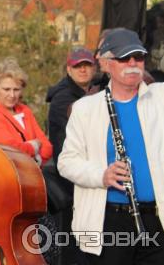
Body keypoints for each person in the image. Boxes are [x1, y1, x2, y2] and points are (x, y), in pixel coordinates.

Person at [58, 28, 164, 264]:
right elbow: (67, 162)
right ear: (107, 63)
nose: (132, 63)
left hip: (160, 220)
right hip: (107, 220)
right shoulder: (85, 109)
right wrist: (102, 175)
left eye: (138, 57)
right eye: (123, 57)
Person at [46, 47, 96, 265]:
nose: (83, 70)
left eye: (87, 65)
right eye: (78, 66)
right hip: (70, 178)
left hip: (85, 173)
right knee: (72, 238)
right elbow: (76, 139)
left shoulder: (91, 92)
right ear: (69, 69)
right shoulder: (63, 98)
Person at [0, 57, 53, 166]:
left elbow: (47, 146)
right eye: (6, 89)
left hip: (33, 174)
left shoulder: (25, 110)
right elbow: (11, 150)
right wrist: (34, 146)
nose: (12, 95)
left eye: (16, 89)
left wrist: (37, 159)